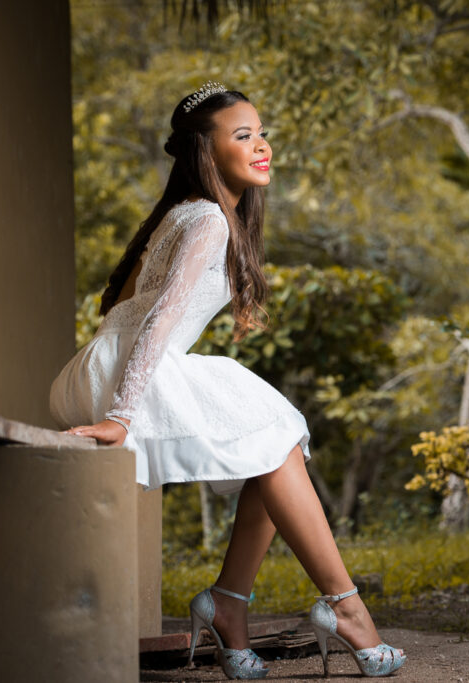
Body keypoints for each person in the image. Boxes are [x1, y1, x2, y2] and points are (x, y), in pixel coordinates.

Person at [49, 82, 405, 680]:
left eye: (262, 132)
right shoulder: (208, 219)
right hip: (129, 370)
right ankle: (345, 609)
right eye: (243, 136)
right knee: (277, 431)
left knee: (271, 441)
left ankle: (230, 606)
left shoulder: (189, 212)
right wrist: (123, 415)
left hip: (110, 362)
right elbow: (158, 320)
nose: (261, 145)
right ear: (205, 153)